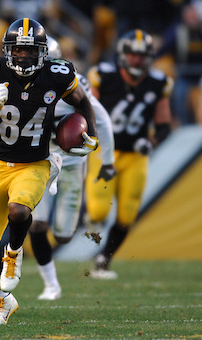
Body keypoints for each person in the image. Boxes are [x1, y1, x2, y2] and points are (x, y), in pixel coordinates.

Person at [0, 18, 99, 326]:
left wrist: (90, 132)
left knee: (19, 208)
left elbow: (84, 104)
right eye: (19, 50)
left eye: (30, 51)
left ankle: (13, 252)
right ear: (8, 50)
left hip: (37, 162)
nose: (24, 56)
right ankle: (3, 301)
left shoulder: (57, 75)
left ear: (43, 52)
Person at [29, 36, 116, 301]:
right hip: (41, 161)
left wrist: (108, 160)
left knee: (64, 236)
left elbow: (100, 117)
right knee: (37, 225)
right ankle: (50, 284)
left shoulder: (72, 82)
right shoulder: (22, 83)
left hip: (72, 162)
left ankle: (82, 217)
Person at [85, 29, 173, 279]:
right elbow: (88, 111)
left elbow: (164, 125)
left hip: (135, 156)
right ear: (123, 55)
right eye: (133, 54)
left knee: (127, 215)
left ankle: (103, 260)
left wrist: (151, 142)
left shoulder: (159, 83)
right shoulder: (103, 76)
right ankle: (89, 222)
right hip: (105, 152)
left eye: (142, 55)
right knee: (99, 212)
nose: (137, 60)